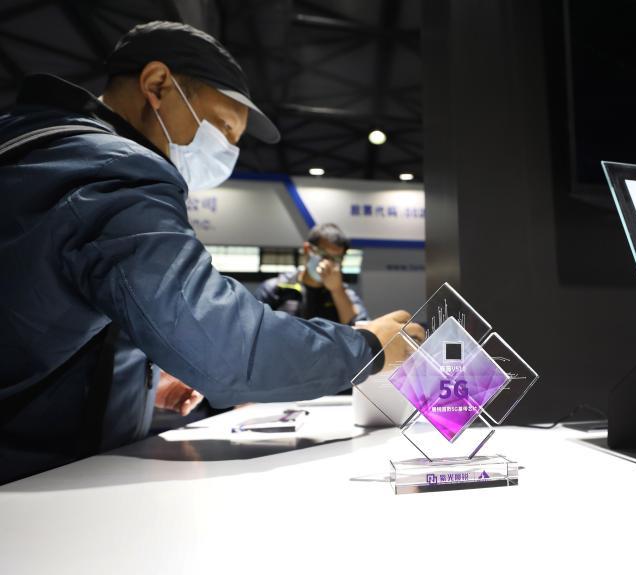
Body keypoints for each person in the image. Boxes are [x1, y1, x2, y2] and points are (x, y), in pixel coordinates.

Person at [0, 21, 422, 484]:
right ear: (157, 85)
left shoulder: (41, 149)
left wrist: (138, 381)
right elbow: (228, 347)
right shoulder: (115, 173)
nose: (228, 149)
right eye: (222, 126)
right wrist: (371, 346)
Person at [256, 223, 368, 325]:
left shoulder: (345, 294)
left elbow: (359, 330)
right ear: (307, 249)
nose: (327, 263)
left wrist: (337, 290)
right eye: (323, 254)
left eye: (336, 258)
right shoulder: (275, 289)